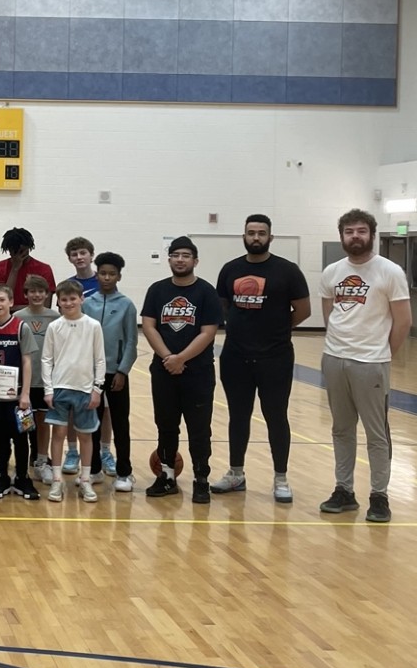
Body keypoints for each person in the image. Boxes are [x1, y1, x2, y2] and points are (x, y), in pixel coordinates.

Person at [319, 209, 411, 523]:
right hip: (334, 359)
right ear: (341, 235)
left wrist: (382, 353)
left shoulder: (390, 271)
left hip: (371, 363)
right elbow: (329, 314)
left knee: (376, 434)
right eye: (349, 231)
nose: (354, 236)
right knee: (341, 430)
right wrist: (340, 345)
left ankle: (379, 495)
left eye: (361, 231)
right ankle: (344, 491)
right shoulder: (332, 271)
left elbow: (403, 321)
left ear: (371, 234)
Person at [212, 215, 310, 504]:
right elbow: (224, 308)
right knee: (238, 416)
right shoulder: (230, 269)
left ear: (270, 237)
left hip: (275, 357)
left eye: (261, 233)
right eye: (251, 233)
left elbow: (303, 311)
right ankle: (236, 473)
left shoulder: (287, 271)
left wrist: (277, 329)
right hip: (235, 356)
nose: (256, 237)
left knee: (276, 417)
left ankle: (281, 478)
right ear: (243, 235)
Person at [141, 237, 221, 504]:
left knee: (199, 429)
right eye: (175, 254)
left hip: (197, 372)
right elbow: (149, 326)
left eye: (186, 255)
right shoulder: (157, 290)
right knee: (165, 425)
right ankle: (166, 477)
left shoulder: (206, 292)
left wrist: (182, 358)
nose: (180, 259)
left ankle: (201, 479)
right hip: (164, 371)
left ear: (195, 261)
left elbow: (209, 332)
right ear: (169, 259)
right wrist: (167, 357)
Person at [41, 280, 106, 503]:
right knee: (58, 434)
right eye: (64, 299)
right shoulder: (54, 327)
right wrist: (49, 389)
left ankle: (86, 479)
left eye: (73, 298)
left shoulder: (93, 326)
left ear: (81, 299)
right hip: (59, 389)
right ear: (58, 301)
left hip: (85, 389)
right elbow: (46, 359)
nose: (69, 303)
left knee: (85, 436)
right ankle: (57, 480)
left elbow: (100, 359)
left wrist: (97, 389)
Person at [0, 284, 39, 500]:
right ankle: (1, 477)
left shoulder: (21, 327)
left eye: (2, 300)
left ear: (11, 302)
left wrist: (26, 394)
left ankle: (22, 477)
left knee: (21, 437)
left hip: (17, 395)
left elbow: (27, 362)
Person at [82, 252, 138, 492]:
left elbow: (131, 343)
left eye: (111, 274)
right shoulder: (87, 303)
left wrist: (122, 371)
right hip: (90, 374)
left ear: (119, 276)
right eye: (103, 273)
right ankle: (93, 470)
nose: (106, 278)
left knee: (120, 423)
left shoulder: (126, 305)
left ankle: (124, 472)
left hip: (115, 373)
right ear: (97, 275)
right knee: (91, 422)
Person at [14, 274, 60, 484]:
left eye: (41, 291)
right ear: (25, 294)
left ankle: (42, 461)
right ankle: (21, 464)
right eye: (32, 291)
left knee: (43, 423)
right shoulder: (18, 317)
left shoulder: (55, 318)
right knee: (22, 424)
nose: (37, 295)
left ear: (47, 294)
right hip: (23, 382)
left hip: (46, 380)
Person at [0, 227, 56, 311]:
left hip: (35, 318)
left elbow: (45, 308)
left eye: (21, 251)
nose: (18, 255)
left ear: (28, 248)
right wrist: (15, 269)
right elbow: (0, 304)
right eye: (14, 251)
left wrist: (16, 308)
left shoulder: (44, 269)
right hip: (7, 317)